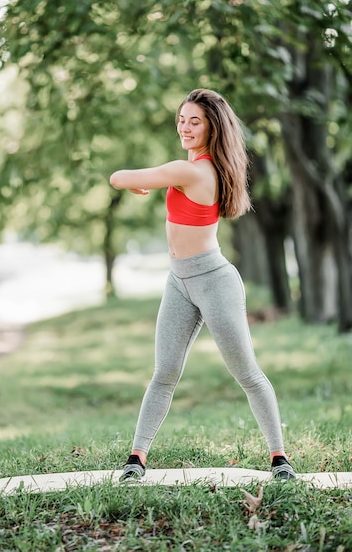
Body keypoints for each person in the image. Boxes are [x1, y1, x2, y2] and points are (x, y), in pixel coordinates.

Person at [109, 88, 296, 482]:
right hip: (178, 281)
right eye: (181, 119)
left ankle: (280, 459)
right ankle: (135, 460)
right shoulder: (196, 168)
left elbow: (116, 177)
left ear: (212, 127)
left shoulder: (192, 170)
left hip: (214, 281)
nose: (185, 127)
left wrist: (134, 183)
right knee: (165, 373)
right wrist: (142, 183)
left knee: (247, 373)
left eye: (195, 121)